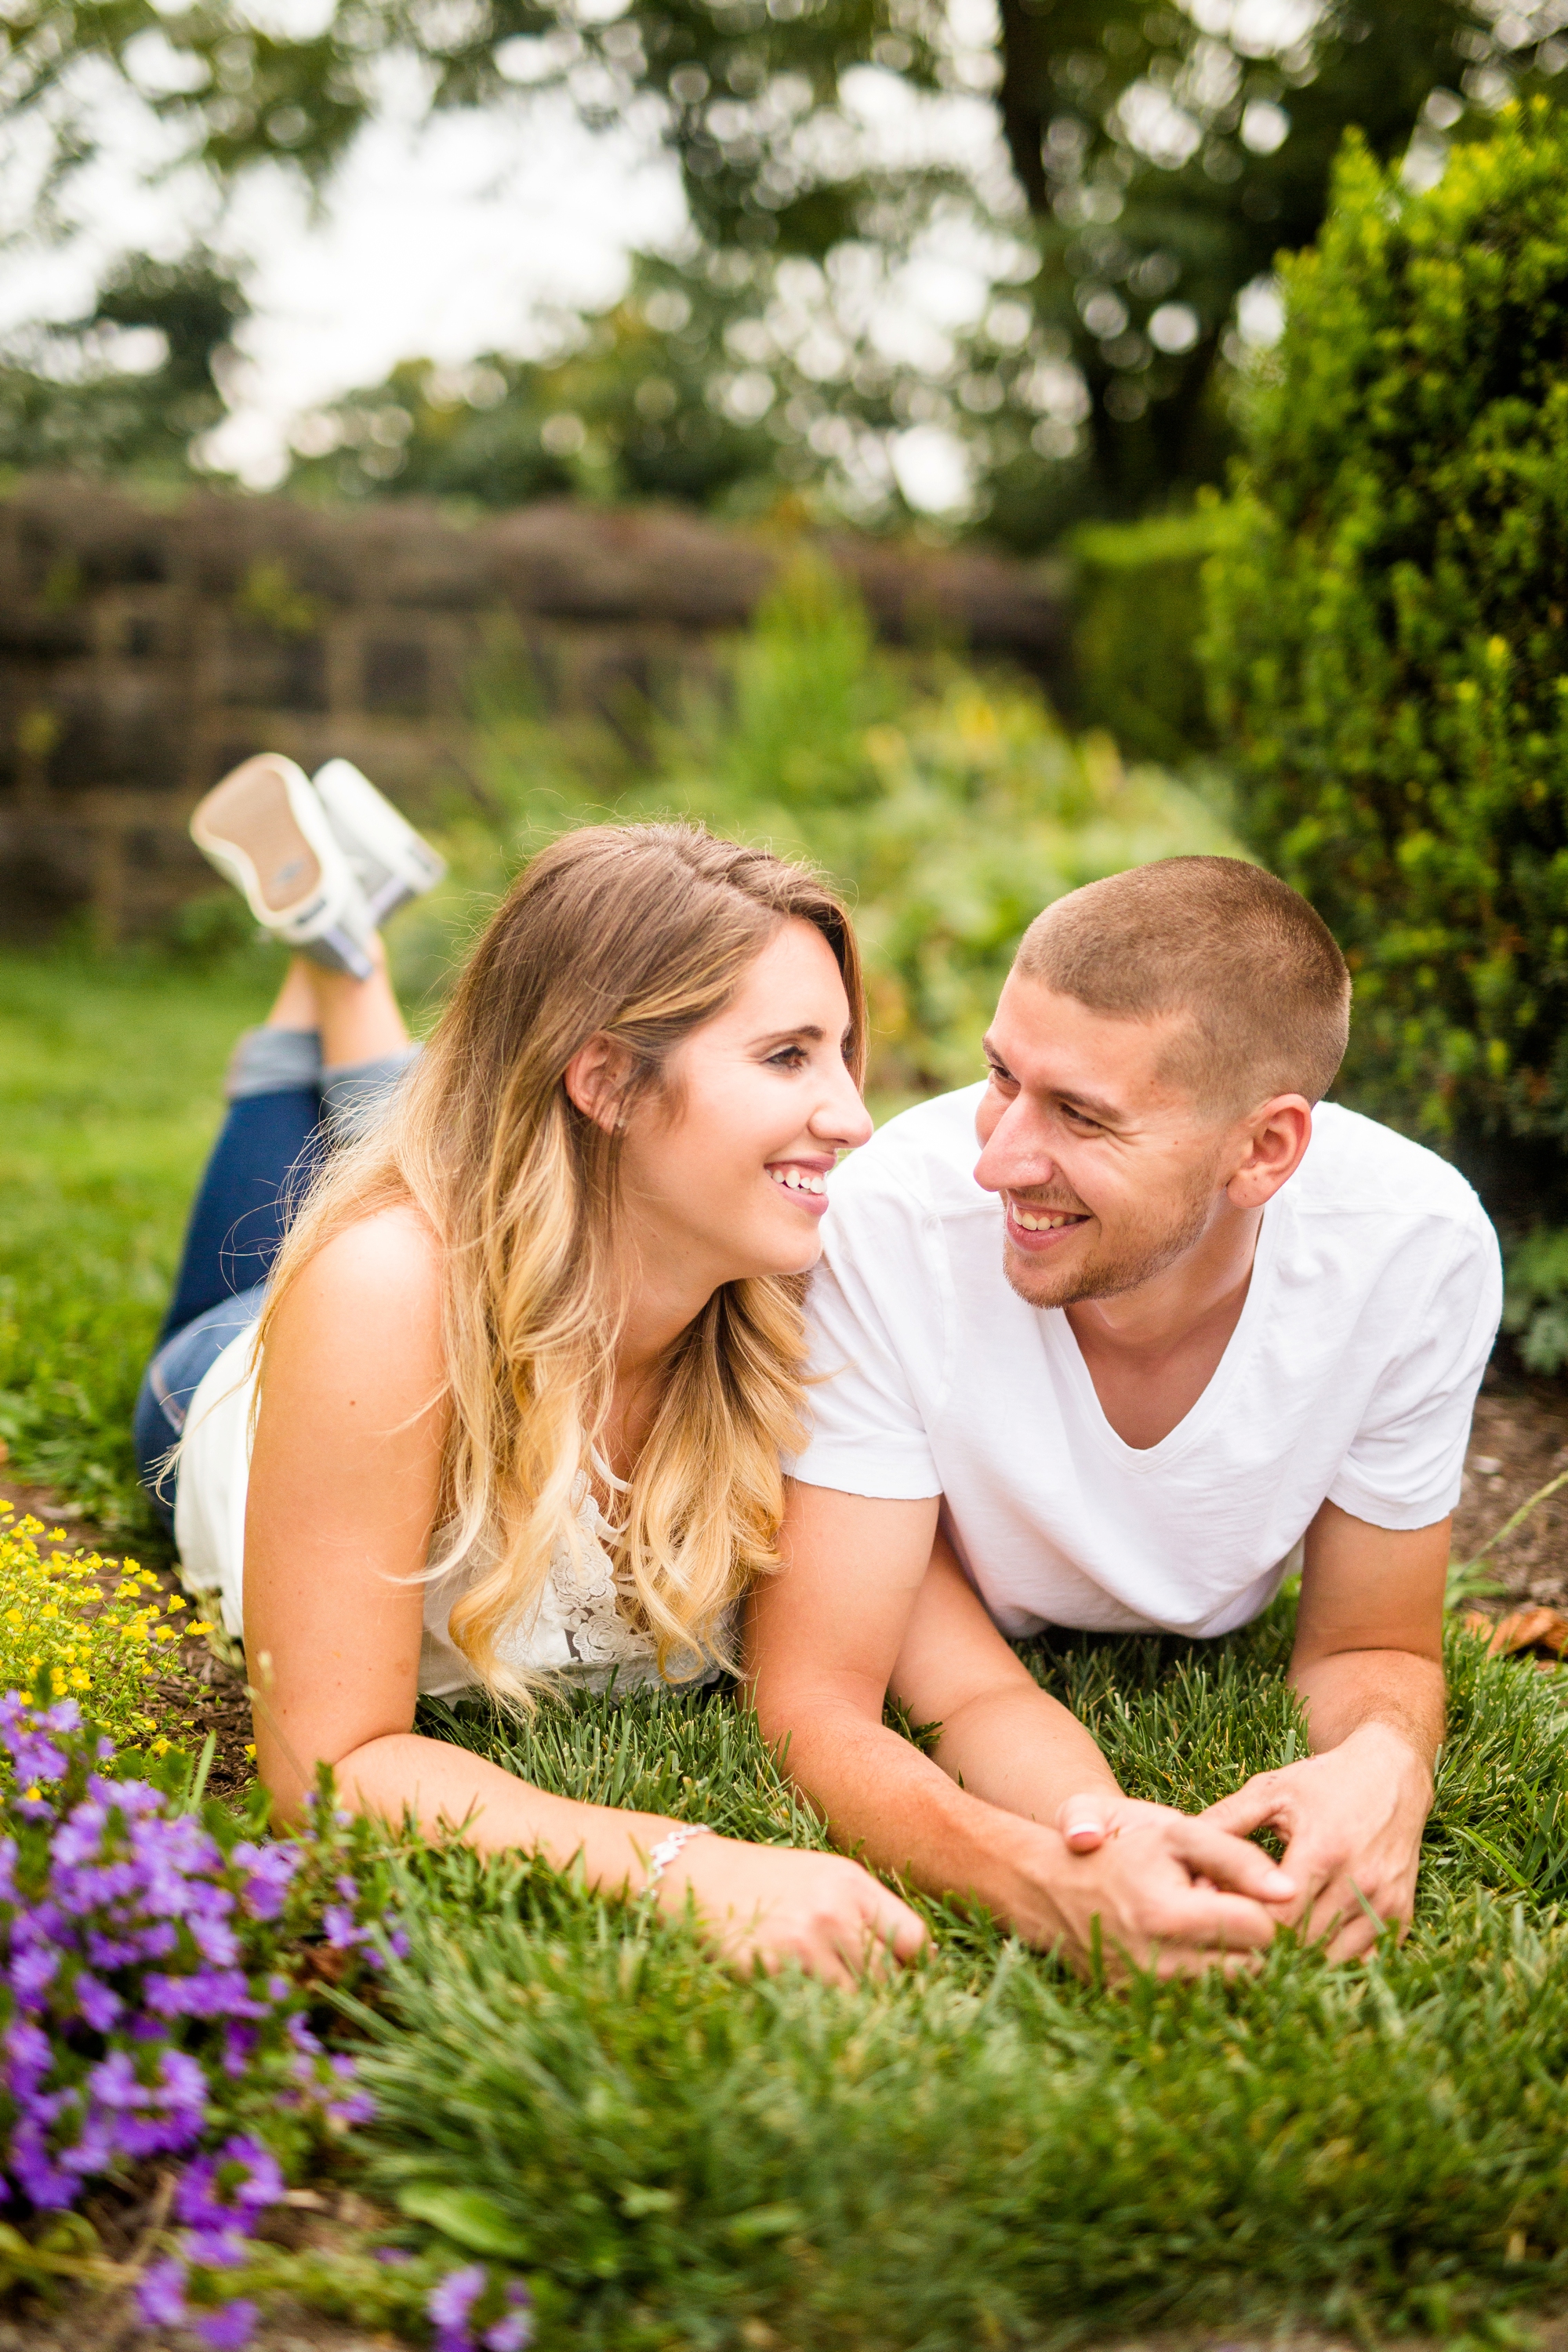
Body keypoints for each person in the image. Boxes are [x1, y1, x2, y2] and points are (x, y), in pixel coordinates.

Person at [136, 753, 926, 1986]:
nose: (853, 1117)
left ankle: (332, 946)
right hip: (231, 1382)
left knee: (457, 1145)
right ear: (606, 1077)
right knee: (282, 1263)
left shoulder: (800, 1263)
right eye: (787, 1058)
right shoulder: (386, 1295)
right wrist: (686, 1866)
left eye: (840, 1053)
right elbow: (325, 1769)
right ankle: (337, 959)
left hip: (533, 1202)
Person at [747, 856, 1502, 1980]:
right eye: (1002, 1075)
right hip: (932, 1583)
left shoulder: (1413, 1249)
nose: (997, 1158)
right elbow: (817, 1690)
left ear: (1265, 1150)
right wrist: (1060, 1852)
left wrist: (1388, 1760)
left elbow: (1369, 1643)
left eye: (1083, 1118)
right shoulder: (892, 1219)